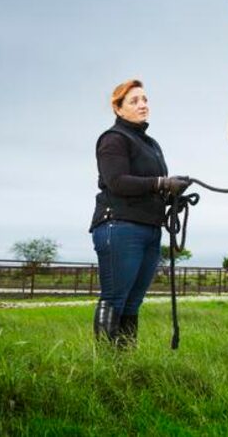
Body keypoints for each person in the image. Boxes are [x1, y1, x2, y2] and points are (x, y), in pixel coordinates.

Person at [89, 79, 189, 348]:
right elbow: (117, 181)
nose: (143, 105)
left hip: (150, 228)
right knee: (115, 297)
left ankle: (126, 362)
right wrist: (162, 183)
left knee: (133, 301)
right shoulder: (113, 139)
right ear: (118, 109)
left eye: (145, 99)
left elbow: (150, 185)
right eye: (134, 101)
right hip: (120, 227)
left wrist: (172, 195)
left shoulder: (151, 144)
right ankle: (105, 365)